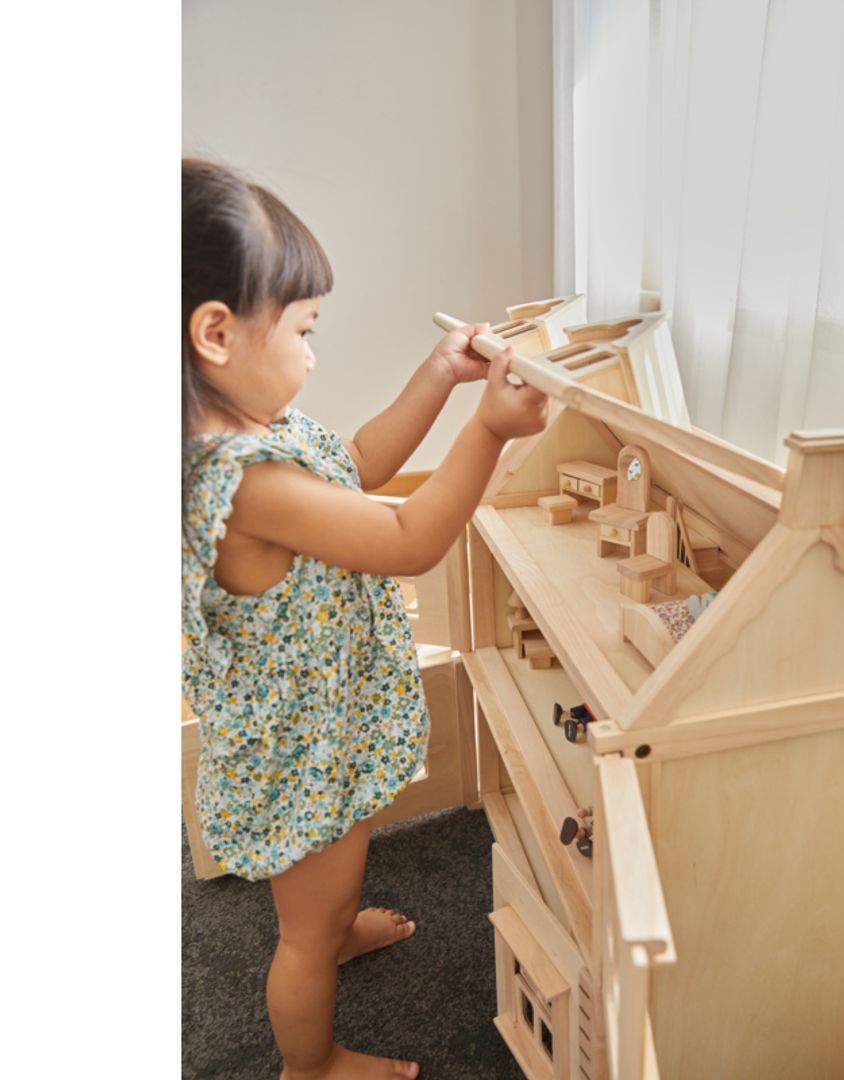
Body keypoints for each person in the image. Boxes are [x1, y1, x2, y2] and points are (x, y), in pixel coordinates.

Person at [181, 158, 548, 1079]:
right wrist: (491, 430)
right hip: (296, 741)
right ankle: (313, 1061)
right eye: (304, 329)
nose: (313, 352)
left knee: (334, 870)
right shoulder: (246, 482)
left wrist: (439, 377)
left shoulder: (266, 435)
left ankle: (331, 923)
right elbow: (415, 535)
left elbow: (356, 464)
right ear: (217, 333)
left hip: (319, 716)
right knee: (303, 923)